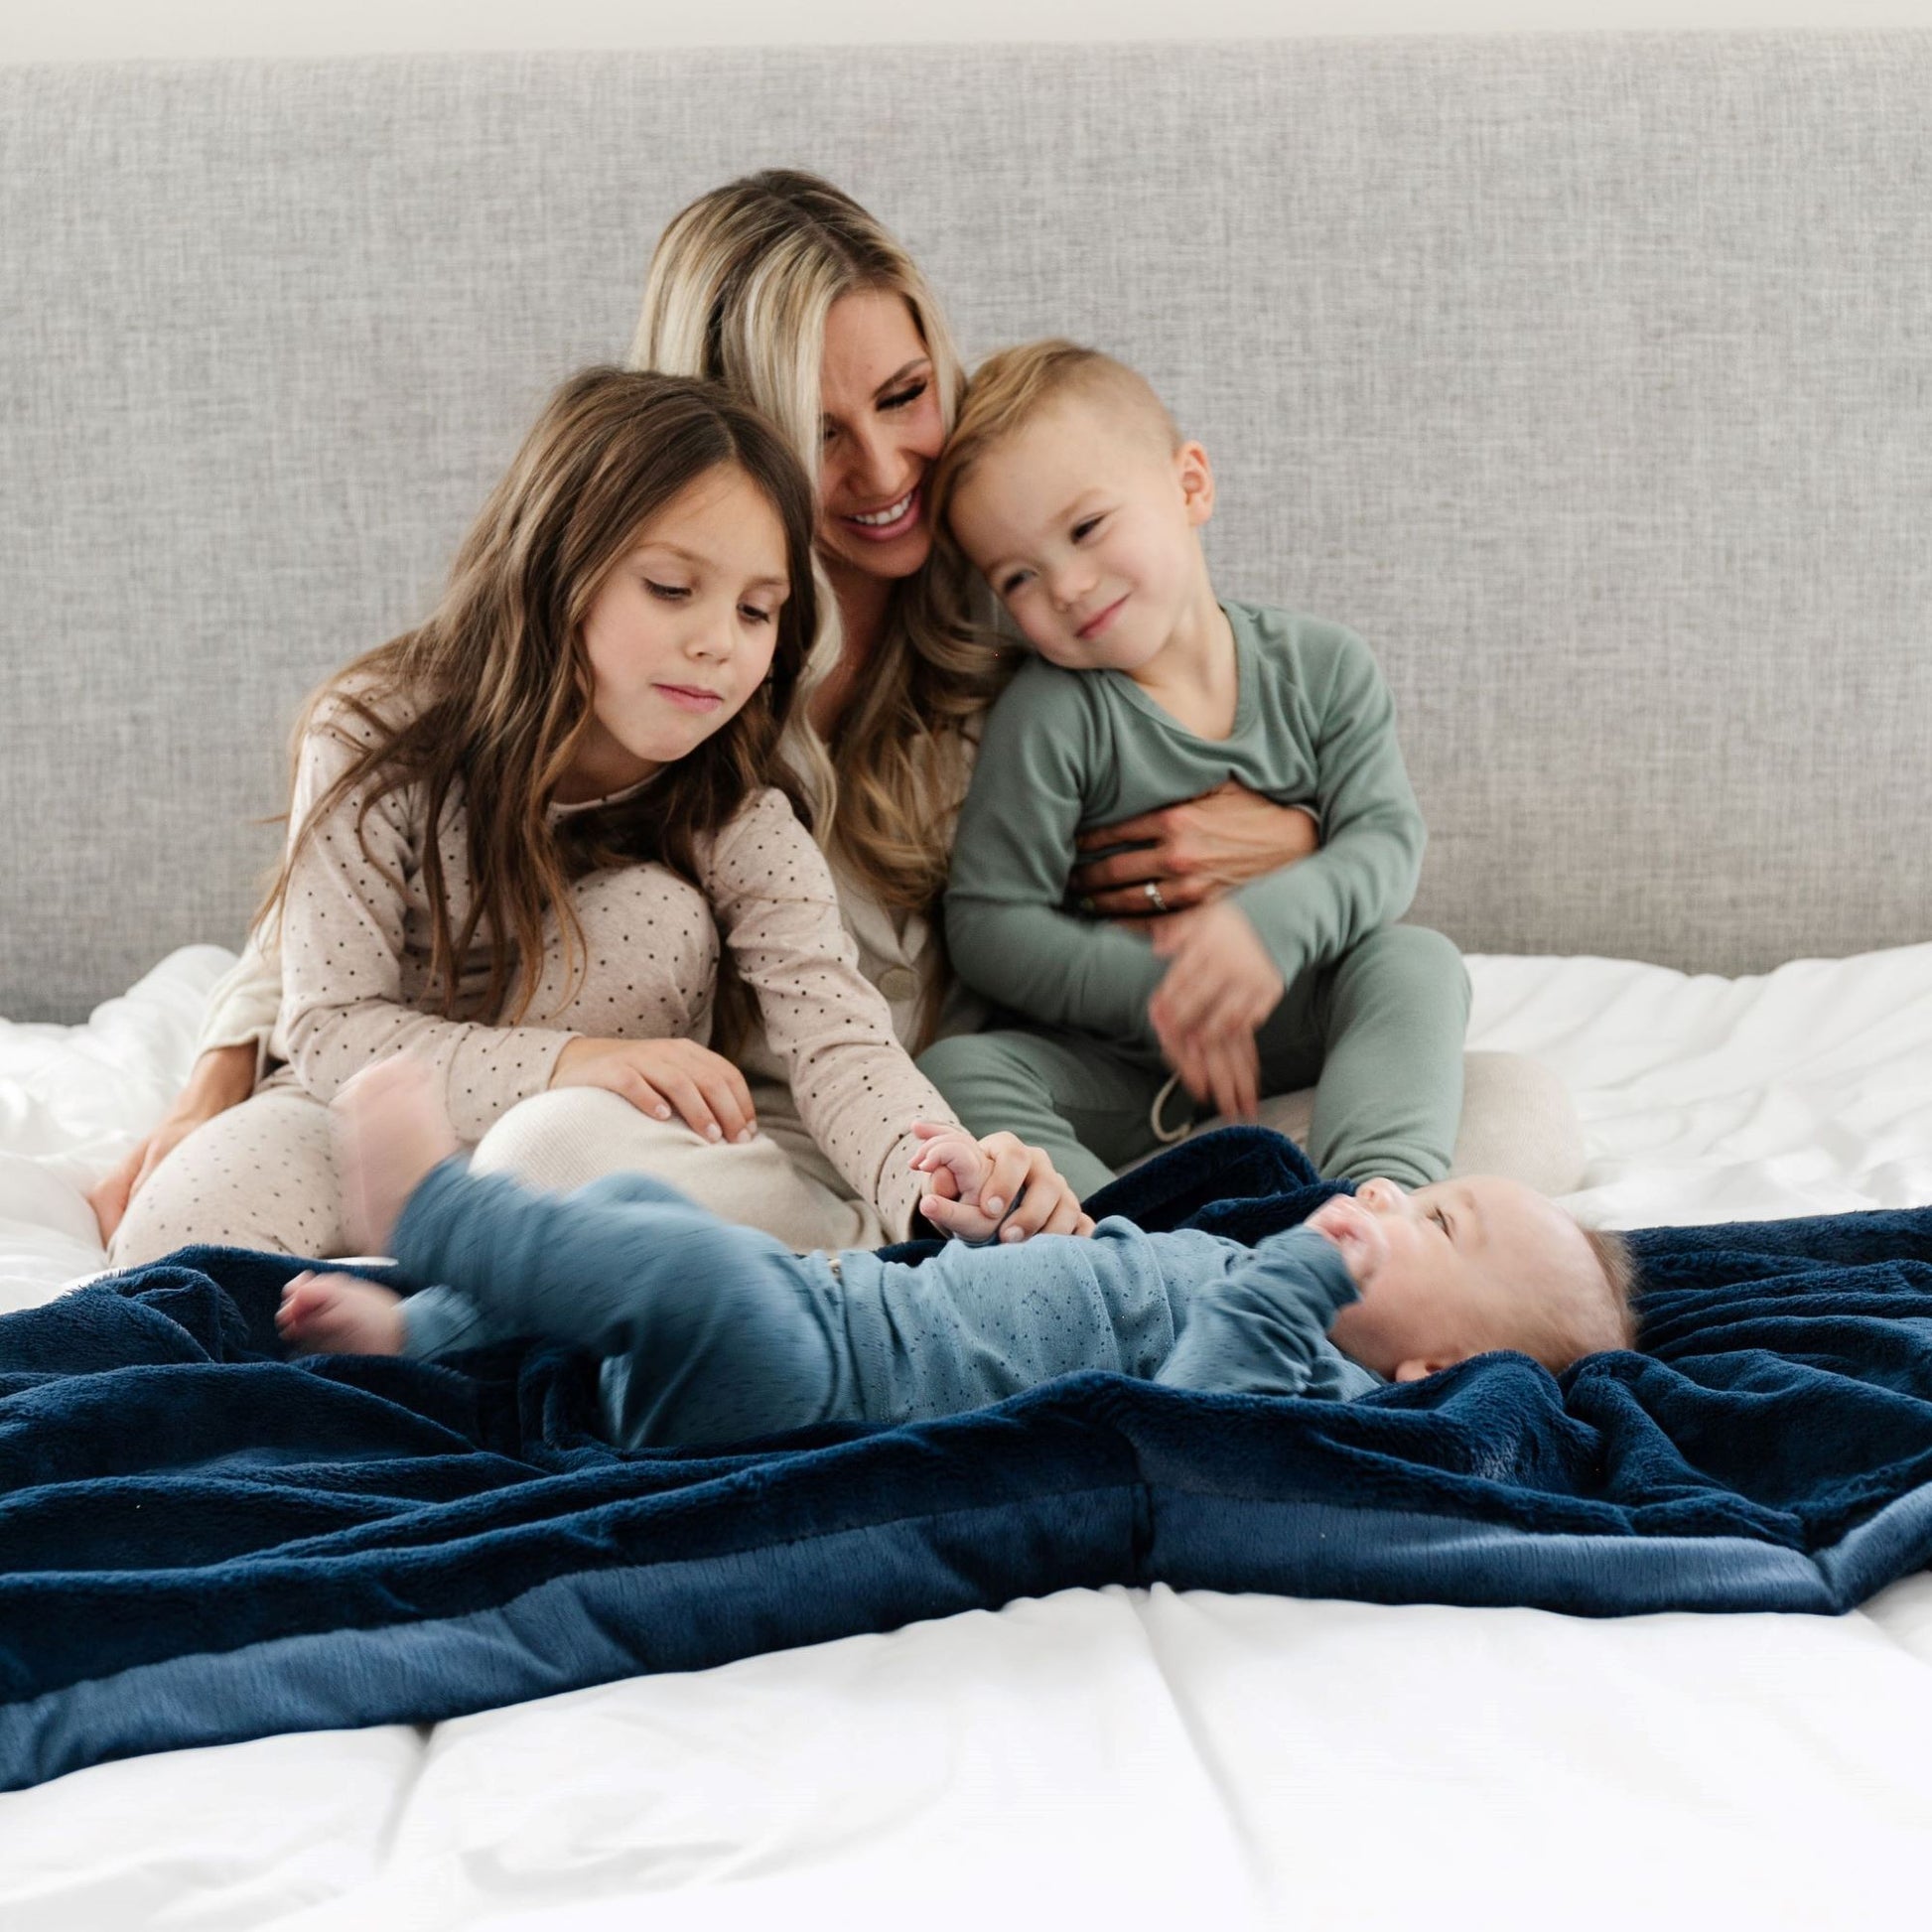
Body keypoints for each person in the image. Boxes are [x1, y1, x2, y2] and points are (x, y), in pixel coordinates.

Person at [92, 172, 1573, 1254]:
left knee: (1511, 1115)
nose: (881, 470)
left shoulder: (1021, 620)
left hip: (967, 1113)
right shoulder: (674, 686)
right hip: (742, 1122)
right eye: (815, 430)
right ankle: (1110, 1246)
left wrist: (1290, 845)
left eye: (907, 396)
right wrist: (226, 1071)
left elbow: (1209, 709)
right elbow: (384, 834)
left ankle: (1194, 1236)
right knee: (556, 1156)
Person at [104, 368, 1089, 1266]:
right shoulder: (375, 731)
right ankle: (415, 1305)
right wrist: (576, 1059)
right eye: (671, 589)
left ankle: (830, 1256)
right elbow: (327, 1025)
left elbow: (841, 1045)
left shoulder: (735, 810)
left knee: (561, 1123)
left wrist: (938, 1177)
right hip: (364, 1119)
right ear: (553, 568)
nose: (717, 644)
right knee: (177, 1233)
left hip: (606, 1153)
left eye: (756, 612)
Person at [276, 1056, 1636, 1450]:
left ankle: (437, 1217)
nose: (1391, 1193)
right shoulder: (1232, 1273)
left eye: (1436, 1222)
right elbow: (1096, 1288)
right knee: (653, 1220)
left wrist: (1304, 1273)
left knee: (690, 1278)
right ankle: (435, 1327)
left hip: (801, 1391)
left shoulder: (1312, 1390)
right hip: (827, 1304)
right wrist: (979, 1226)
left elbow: (1190, 1415)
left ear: (1435, 1362)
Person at [918, 340, 1471, 1201]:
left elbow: (1387, 840)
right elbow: (990, 924)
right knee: (959, 1068)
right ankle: (1132, 1246)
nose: (1065, 585)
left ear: (1190, 486)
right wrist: (1164, 992)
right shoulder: (1053, 712)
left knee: (1417, 964)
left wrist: (1268, 928)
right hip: (1131, 1064)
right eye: (1018, 576)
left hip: (1302, 1019)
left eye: (1087, 528)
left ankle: (1377, 1203)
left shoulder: (1324, 668)